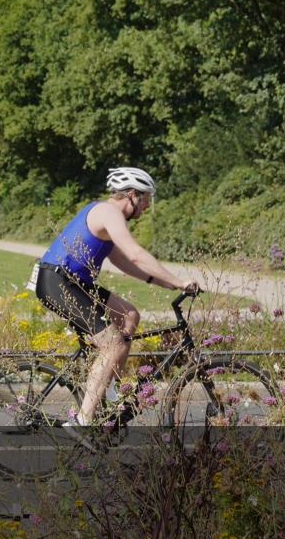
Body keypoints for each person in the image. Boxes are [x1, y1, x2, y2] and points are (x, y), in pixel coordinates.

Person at [33, 167, 199, 436]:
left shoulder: (107, 218)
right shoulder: (108, 212)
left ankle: (108, 395)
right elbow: (134, 254)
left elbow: (125, 263)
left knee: (129, 316)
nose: (146, 206)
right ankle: (83, 420)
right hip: (58, 282)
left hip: (74, 283)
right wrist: (179, 281)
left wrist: (167, 283)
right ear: (131, 195)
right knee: (113, 344)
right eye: (145, 199)